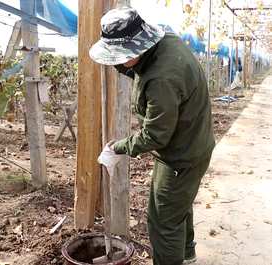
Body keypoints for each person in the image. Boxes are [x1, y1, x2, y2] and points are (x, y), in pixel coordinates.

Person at [90, 7, 215, 265]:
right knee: (179, 206)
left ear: (136, 49)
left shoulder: (162, 79)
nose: (119, 61)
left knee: (163, 220)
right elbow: (141, 67)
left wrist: (118, 148)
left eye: (120, 56)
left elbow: (155, 136)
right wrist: (118, 63)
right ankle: (187, 255)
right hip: (193, 144)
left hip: (181, 157)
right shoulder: (164, 43)